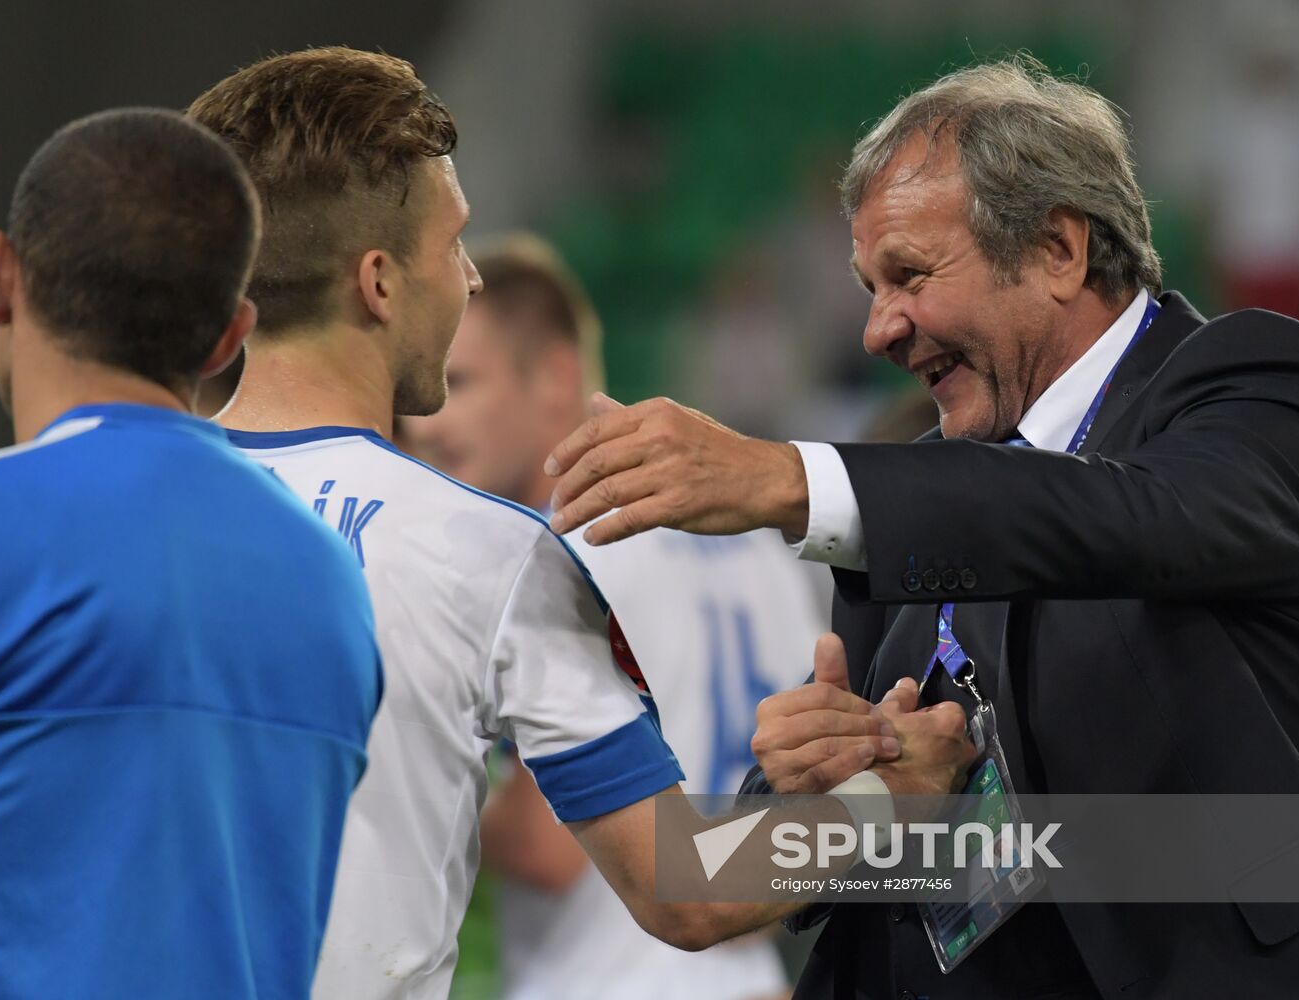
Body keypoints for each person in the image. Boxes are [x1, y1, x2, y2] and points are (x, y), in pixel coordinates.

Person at [189, 46, 976, 1000]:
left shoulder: (80, 519)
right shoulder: (488, 552)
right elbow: (686, 888)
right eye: (452, 245)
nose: (471, 280)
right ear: (380, 283)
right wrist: (886, 801)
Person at [544, 56, 1299, 998]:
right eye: (869, 287)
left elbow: (1122, 517)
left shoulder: (1247, 388)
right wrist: (821, 786)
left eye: (908, 275)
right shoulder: (915, 501)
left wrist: (788, 477)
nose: (877, 330)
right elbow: (795, 861)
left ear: (1057, 250)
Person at [0, 108, 382, 999]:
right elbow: (688, 893)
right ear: (229, 337)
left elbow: (683, 894)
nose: (471, 276)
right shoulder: (333, 575)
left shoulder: (0, 524)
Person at [398, 235, 827, 1000]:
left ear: (555, 376)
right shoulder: (754, 544)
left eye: (457, 383)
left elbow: (544, 849)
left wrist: (397, 774)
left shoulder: (549, 552)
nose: (425, 422)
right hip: (747, 972)